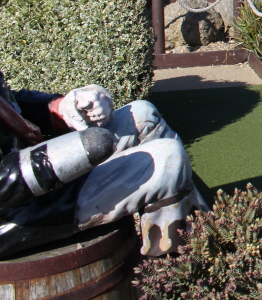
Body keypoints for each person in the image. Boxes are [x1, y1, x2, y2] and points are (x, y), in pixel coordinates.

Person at [0, 71, 206, 257]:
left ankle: (203, 229)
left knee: (143, 115)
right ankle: (173, 270)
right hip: (19, 213)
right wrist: (49, 159)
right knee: (167, 158)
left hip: (36, 178)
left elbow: (11, 103)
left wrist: (62, 108)